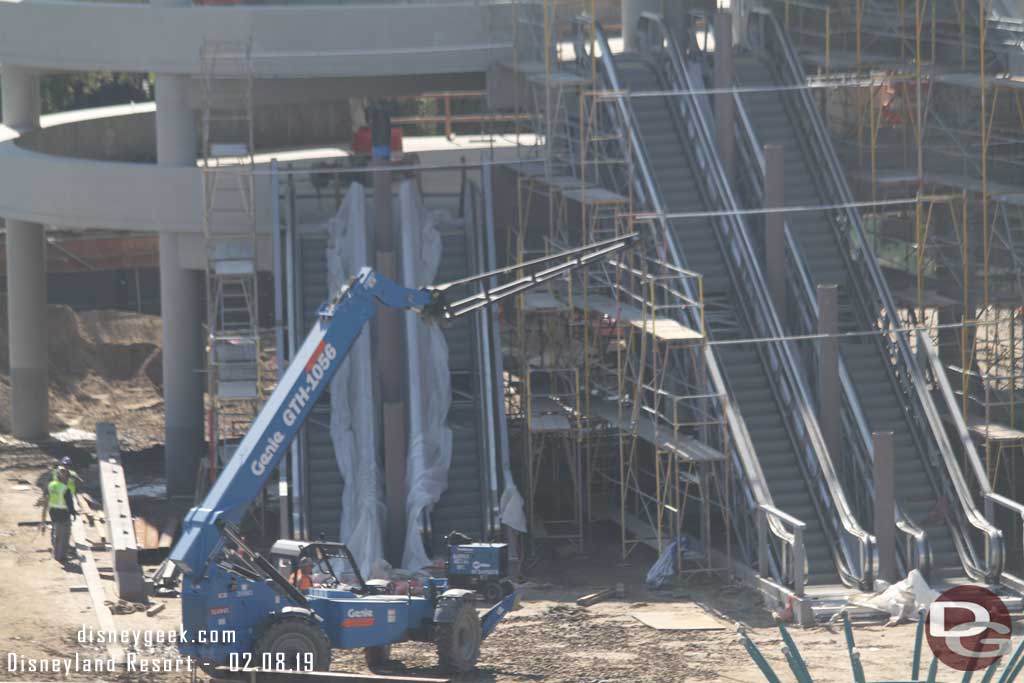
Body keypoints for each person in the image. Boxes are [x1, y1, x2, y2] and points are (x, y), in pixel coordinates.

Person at [43, 462, 77, 565]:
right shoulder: (65, 489)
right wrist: (73, 513)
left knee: (56, 533)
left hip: (53, 512)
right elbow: (70, 504)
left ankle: (56, 555)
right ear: (64, 478)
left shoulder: (51, 485)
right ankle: (62, 556)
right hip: (63, 512)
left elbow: (46, 496)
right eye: (67, 477)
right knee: (65, 535)